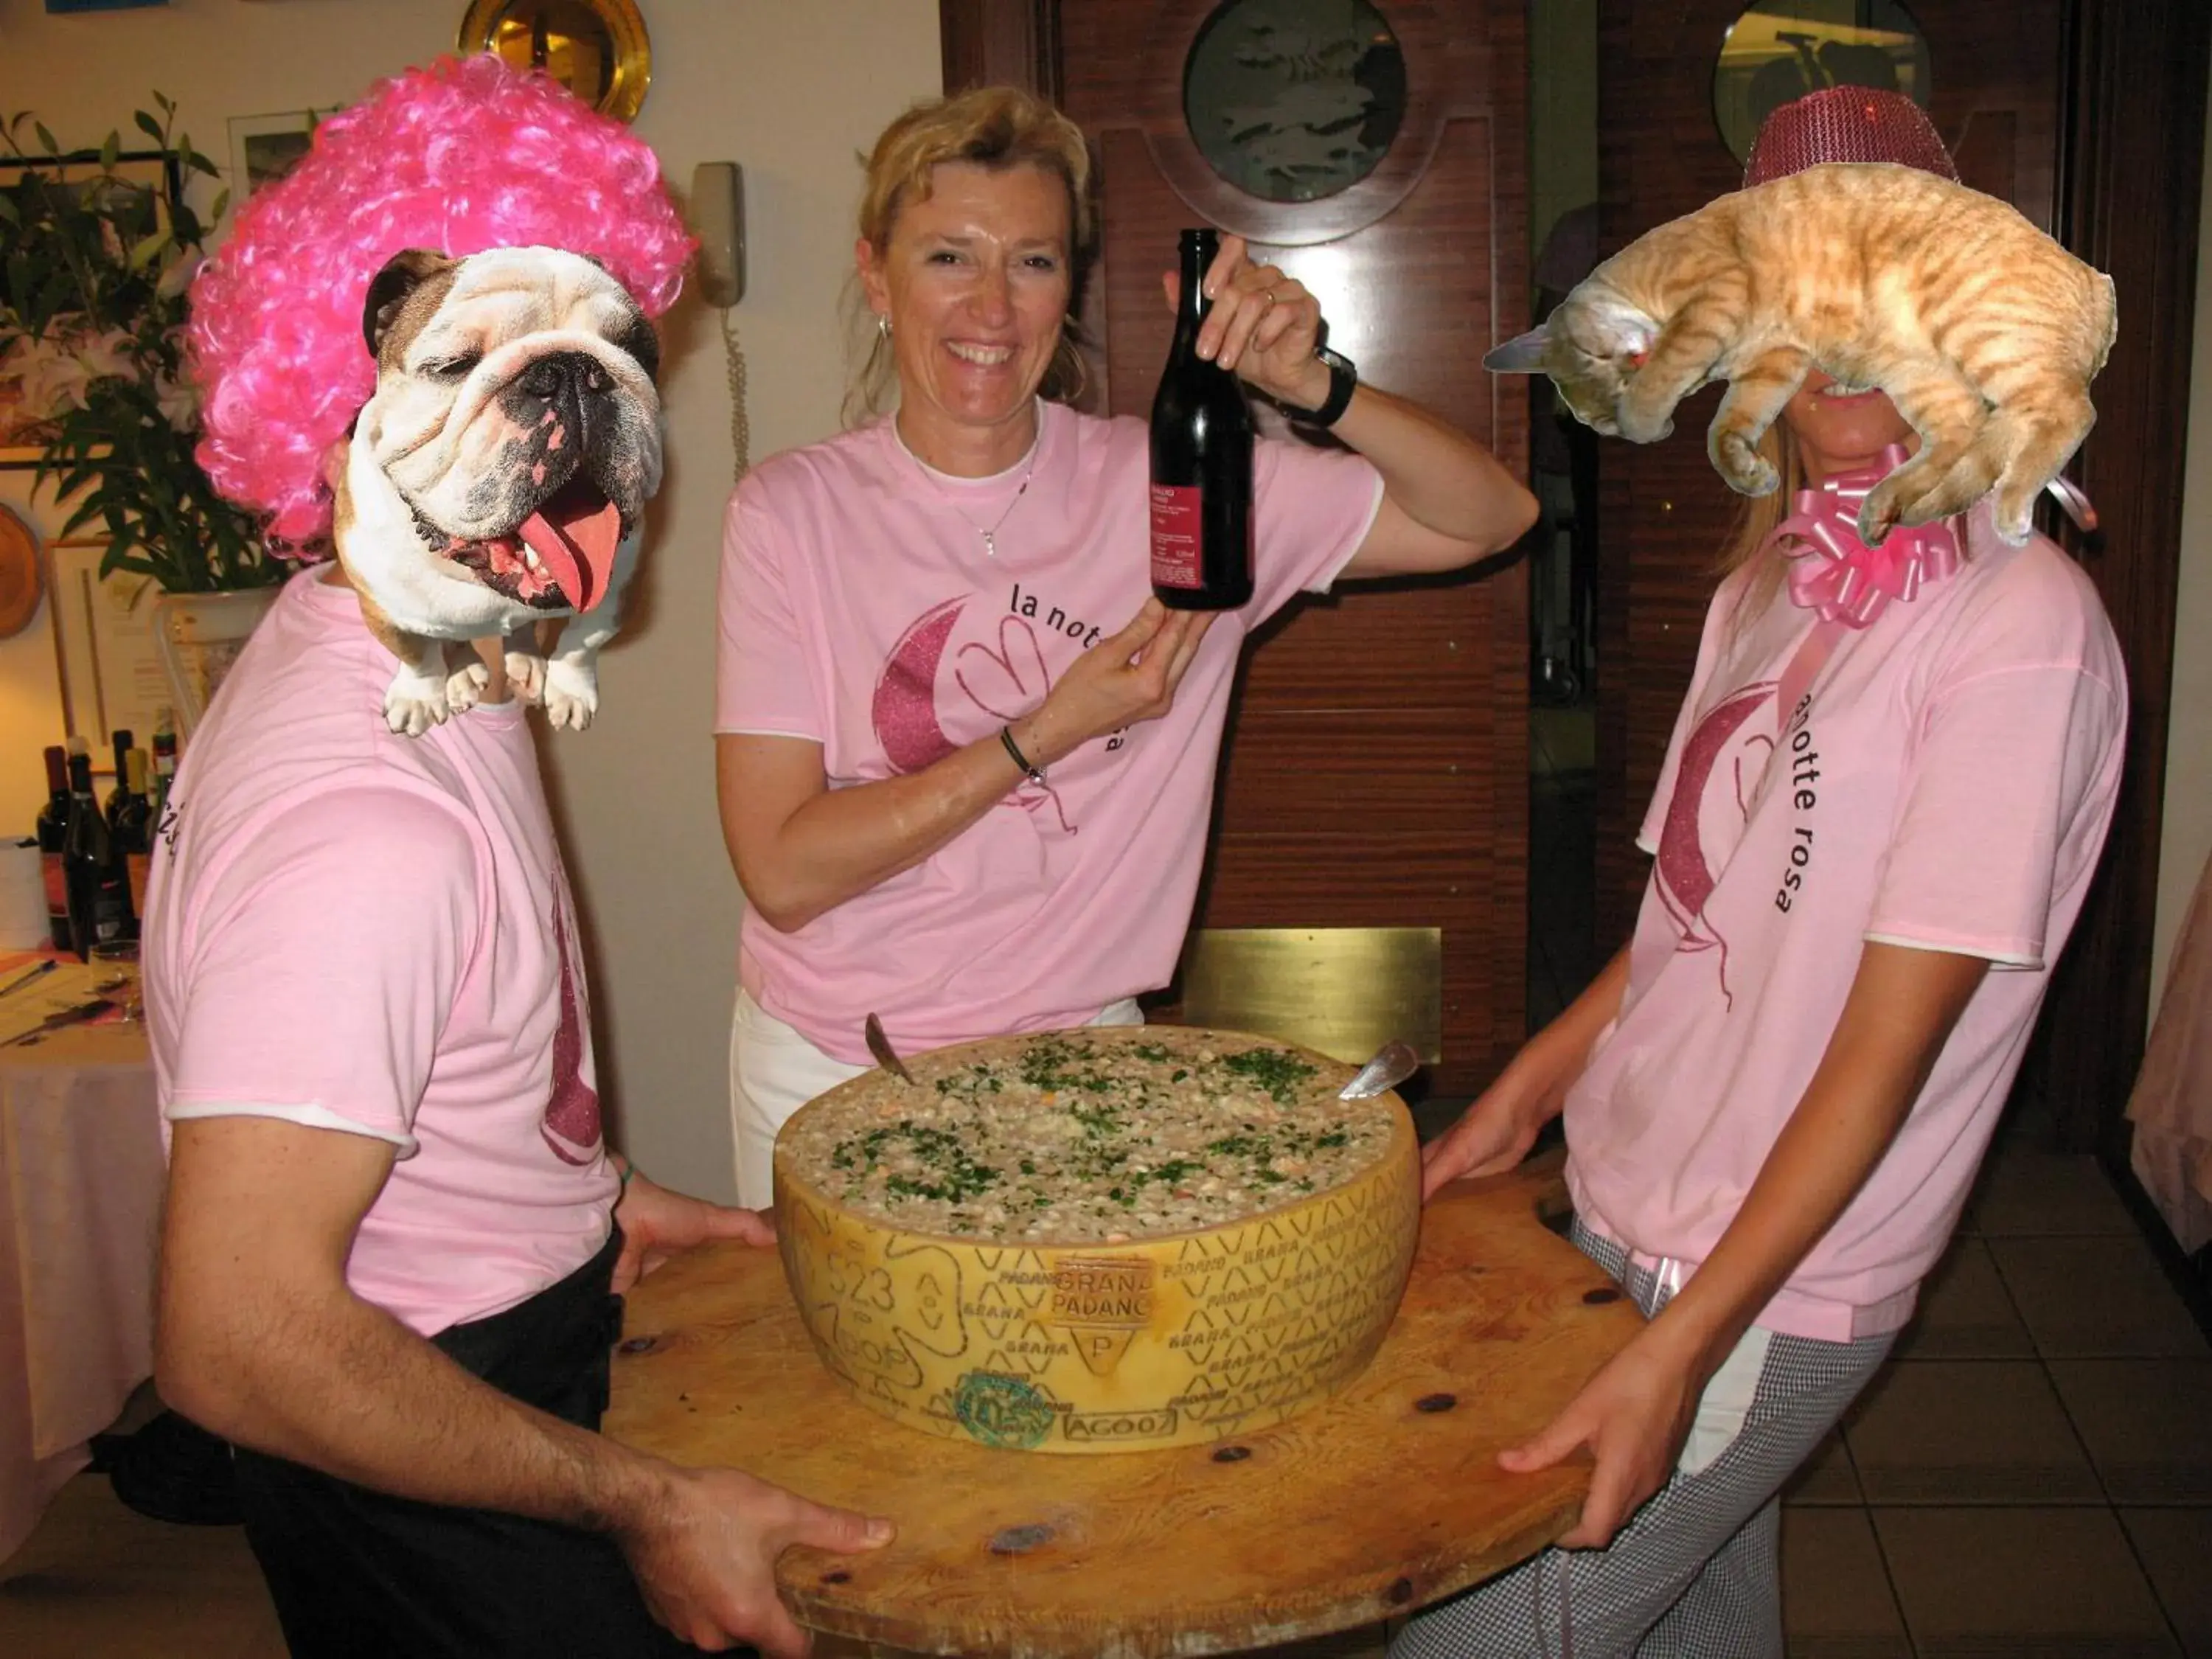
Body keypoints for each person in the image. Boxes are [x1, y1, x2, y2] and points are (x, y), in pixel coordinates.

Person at [152, 59, 885, 1659]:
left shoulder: (410, 656)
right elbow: (235, 1337)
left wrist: (587, 1194)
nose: (561, 413)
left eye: (595, 344)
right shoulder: (365, 825)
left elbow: (415, 1064)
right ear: (327, 405)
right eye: (465, 359)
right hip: (412, 1445)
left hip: (496, 1347)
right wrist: (646, 1501)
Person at [1396, 87, 2126, 1657]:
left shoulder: (2022, 628)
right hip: (1627, 1205)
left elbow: (1879, 1065)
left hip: (1759, 1278)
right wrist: (1521, 1098)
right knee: (1696, 1623)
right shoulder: (1770, 591)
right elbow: (1687, 922)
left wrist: (1681, 1352)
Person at [715, 86, 1539, 1204]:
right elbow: (782, 870)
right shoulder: (789, 512)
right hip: (832, 1059)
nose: (993, 308)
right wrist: (1047, 729)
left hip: (1082, 1060)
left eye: (1035, 262)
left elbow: (1489, 516)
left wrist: (1315, 387)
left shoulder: (1182, 482)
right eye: (950, 257)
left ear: (1072, 287)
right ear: (876, 276)